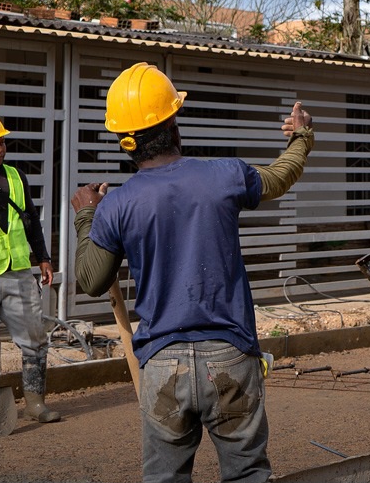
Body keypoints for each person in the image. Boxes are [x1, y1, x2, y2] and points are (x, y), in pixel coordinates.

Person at [70, 62, 313, 483]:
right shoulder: (224, 176)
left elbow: (91, 280)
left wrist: (87, 216)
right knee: (248, 474)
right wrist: (301, 138)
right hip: (230, 359)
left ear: (126, 143)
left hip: (163, 366)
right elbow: (278, 177)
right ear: (174, 123)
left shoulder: (118, 205)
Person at [0, 112, 61, 424]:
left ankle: (35, 403)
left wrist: (43, 257)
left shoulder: (16, 177)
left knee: (35, 337)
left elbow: (31, 221)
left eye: (2, 141)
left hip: (17, 272)